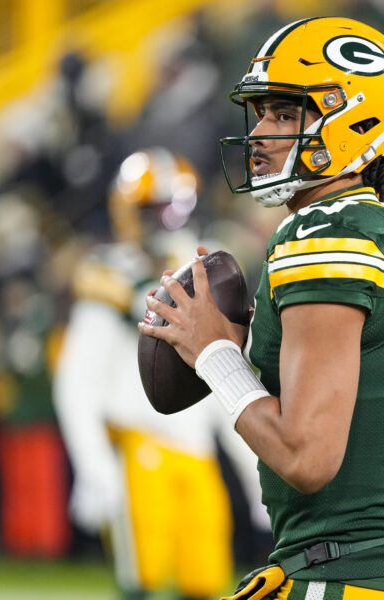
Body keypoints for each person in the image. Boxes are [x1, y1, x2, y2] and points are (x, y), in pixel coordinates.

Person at [139, 17, 384, 600]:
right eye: (264, 113)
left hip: (356, 573)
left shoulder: (325, 237)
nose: (263, 134)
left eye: (287, 115)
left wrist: (216, 354)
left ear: (356, 119)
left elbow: (306, 456)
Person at [54, 149, 247, 600]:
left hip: (198, 450)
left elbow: (224, 371)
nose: (167, 221)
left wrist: (253, 463)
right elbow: (78, 378)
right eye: (156, 210)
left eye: (176, 208)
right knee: (143, 580)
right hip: (138, 440)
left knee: (206, 580)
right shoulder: (112, 275)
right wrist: (93, 461)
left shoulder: (207, 276)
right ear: (128, 212)